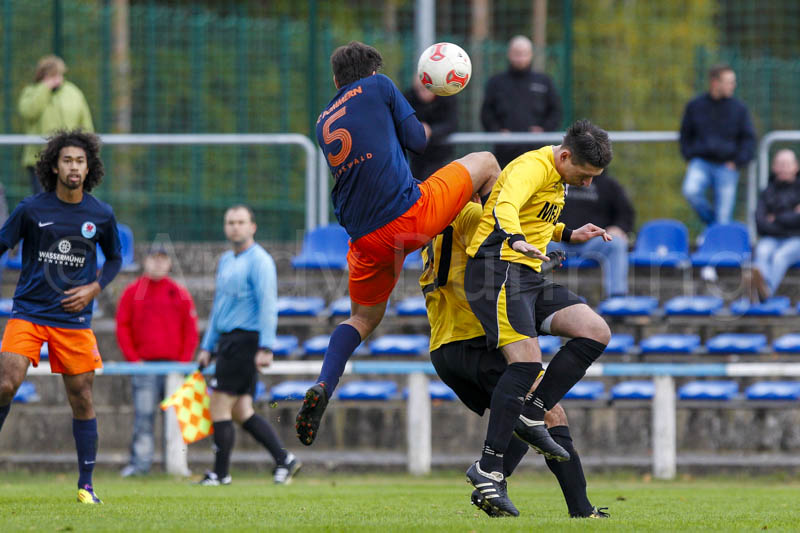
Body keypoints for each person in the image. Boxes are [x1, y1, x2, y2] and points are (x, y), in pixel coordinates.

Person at [295, 41, 500, 446]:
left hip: (364, 241)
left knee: (363, 320)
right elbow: (418, 142)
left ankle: (324, 383)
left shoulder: (322, 120)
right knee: (487, 163)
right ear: (373, 72)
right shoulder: (381, 86)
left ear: (336, 80)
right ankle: (501, 252)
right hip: (409, 218)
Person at [421, 198, 608, 519]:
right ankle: (578, 510)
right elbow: (500, 247)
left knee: (528, 415)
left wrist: (556, 241)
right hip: (473, 339)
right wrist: (549, 246)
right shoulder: (475, 215)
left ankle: (495, 488)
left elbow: (485, 260)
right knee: (545, 414)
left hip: (446, 344)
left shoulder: (441, 221)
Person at [463, 119, 614, 512]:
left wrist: (567, 233)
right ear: (565, 156)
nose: (586, 185)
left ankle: (532, 412)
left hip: (526, 274)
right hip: (496, 268)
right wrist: (515, 239)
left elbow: (537, 218)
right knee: (527, 363)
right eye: (583, 175)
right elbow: (506, 207)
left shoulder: (558, 176)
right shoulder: (531, 167)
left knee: (595, 330)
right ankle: (489, 467)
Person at [0, 130, 121, 504]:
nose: (74, 167)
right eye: (67, 160)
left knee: (82, 397)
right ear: (54, 166)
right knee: (6, 382)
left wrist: (95, 288)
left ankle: (86, 485)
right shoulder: (31, 209)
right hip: (30, 312)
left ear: (89, 168)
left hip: (73, 320)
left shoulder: (100, 214)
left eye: (80, 161)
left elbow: (115, 258)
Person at [196, 205, 300, 485]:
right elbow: (219, 308)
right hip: (228, 341)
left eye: (241, 222)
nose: (235, 227)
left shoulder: (261, 261)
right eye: (230, 222)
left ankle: (220, 474)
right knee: (242, 411)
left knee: (219, 404)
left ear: (252, 227)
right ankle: (284, 460)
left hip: (245, 341)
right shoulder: (227, 261)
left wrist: (266, 347)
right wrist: (208, 346)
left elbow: (268, 305)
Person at [116, 245, 198, 477]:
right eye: (154, 259)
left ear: (170, 263)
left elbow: (190, 329)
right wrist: (133, 359)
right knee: (143, 418)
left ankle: (177, 468)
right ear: (145, 261)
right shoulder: (132, 292)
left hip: (174, 367)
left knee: (176, 421)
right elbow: (123, 327)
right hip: (145, 366)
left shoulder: (179, 292)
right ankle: (140, 466)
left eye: (163, 259)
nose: (158, 264)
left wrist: (183, 362)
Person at [679, 64, 756, 228]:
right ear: (715, 83)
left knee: (724, 215)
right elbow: (685, 134)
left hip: (727, 166)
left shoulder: (739, 109)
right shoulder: (696, 106)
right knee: (690, 191)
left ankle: (718, 235)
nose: (733, 86)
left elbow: (749, 139)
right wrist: (690, 156)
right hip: (701, 162)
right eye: (729, 82)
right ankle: (713, 225)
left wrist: (737, 162)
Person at [547, 169, 635, 298]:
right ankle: (530, 298)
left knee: (616, 243)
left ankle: (617, 299)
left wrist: (618, 227)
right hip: (558, 242)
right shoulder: (555, 182)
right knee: (534, 242)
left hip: (593, 243)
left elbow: (626, 214)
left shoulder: (609, 185)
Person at [480, 35, 562, 168]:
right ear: (509, 54)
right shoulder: (496, 83)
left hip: (536, 152)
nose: (520, 58)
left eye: (524, 54)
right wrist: (497, 131)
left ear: (531, 54)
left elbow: (555, 111)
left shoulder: (544, 81)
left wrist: (544, 130)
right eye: (517, 54)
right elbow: (486, 113)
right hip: (504, 154)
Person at [18, 56, 94, 194]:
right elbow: (29, 112)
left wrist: (87, 151)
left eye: (58, 74)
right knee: (44, 202)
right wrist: (44, 89)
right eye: (51, 75)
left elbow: (86, 124)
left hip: (70, 160)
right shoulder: (31, 92)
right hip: (39, 159)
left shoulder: (73, 93)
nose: (56, 78)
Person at [747, 149, 800, 301]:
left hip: (796, 241)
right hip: (771, 239)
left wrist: (775, 218)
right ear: (774, 167)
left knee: (780, 256)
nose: (783, 168)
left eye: (787, 164)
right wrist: (792, 217)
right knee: (762, 252)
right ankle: (761, 289)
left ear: (796, 167)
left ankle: (764, 291)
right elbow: (759, 222)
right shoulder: (767, 192)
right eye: (780, 164)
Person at [404, 76, 458, 181]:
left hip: (440, 155)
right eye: (419, 89)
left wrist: (431, 131)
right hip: (417, 156)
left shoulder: (447, 98)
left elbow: (451, 123)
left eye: (425, 89)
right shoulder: (409, 97)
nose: (422, 93)